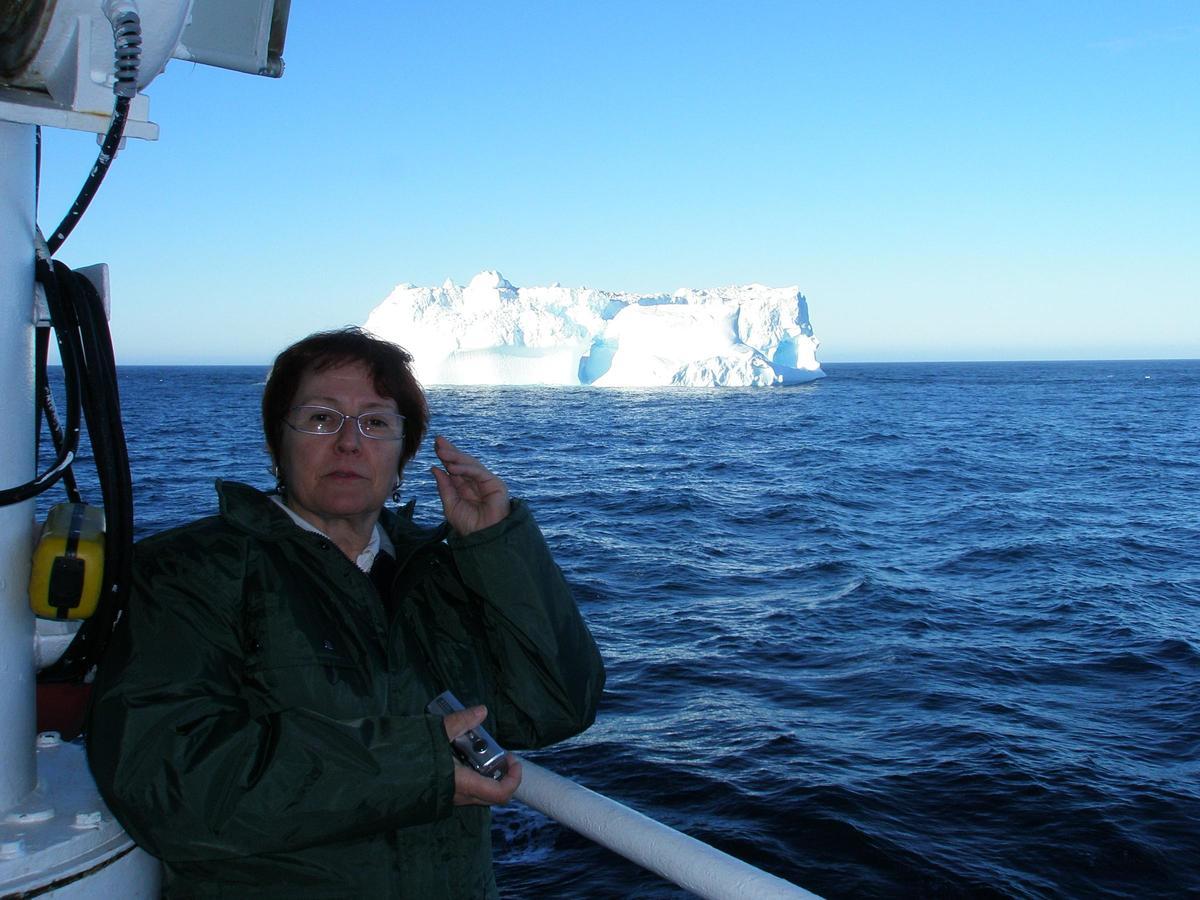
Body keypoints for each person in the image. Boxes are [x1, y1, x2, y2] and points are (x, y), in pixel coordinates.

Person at [86, 327, 606, 898]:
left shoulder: (443, 572)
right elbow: (165, 783)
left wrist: (496, 546)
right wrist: (416, 768)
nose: (350, 443)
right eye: (320, 418)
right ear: (276, 442)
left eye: (376, 422)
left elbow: (557, 707)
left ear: (404, 451)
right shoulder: (189, 573)